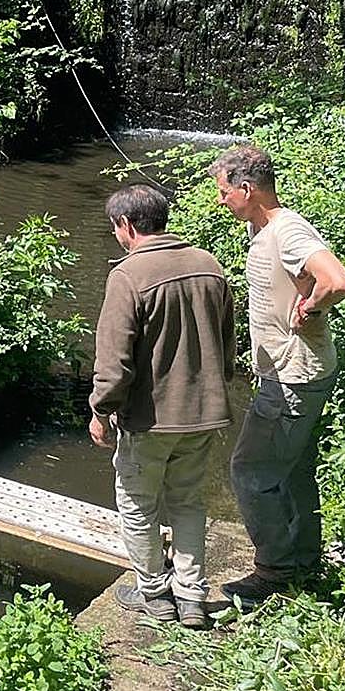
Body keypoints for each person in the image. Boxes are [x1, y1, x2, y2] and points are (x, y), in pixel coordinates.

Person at [209, 146, 345, 606]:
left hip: (293, 376)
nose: (220, 200)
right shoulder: (263, 226)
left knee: (249, 470)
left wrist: (312, 306)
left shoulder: (287, 230)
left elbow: (339, 279)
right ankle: (305, 560)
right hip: (297, 371)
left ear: (247, 190)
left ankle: (274, 572)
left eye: (224, 191)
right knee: (293, 470)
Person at [89, 185, 236, 628]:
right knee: (188, 500)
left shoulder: (128, 276)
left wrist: (100, 410)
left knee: (138, 504)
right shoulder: (209, 265)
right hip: (204, 412)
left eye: (115, 228)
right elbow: (227, 344)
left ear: (127, 226)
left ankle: (153, 593)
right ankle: (192, 597)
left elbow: (113, 360)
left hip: (150, 419)